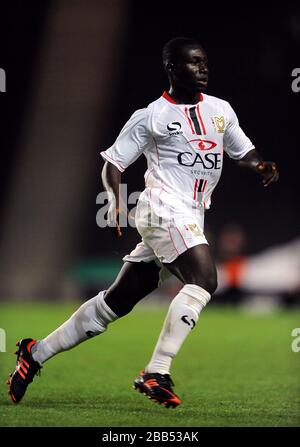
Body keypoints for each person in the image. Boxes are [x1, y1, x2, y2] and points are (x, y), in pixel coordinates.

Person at [7, 37, 279, 408]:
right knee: (204, 280)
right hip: (162, 208)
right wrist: (116, 200)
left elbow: (242, 150)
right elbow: (114, 164)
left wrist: (259, 165)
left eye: (205, 63)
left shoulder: (221, 110)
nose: (203, 70)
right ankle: (157, 370)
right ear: (171, 68)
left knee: (114, 304)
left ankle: (34, 353)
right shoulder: (150, 116)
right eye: (193, 64)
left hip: (191, 212)